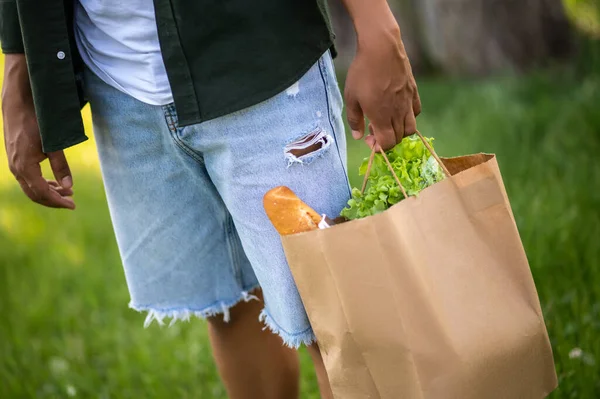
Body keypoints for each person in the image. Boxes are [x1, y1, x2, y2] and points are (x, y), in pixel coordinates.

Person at [1, 0, 420, 397]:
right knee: (229, 301)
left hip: (258, 58)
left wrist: (377, 24)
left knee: (335, 318)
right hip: (120, 83)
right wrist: (19, 72)